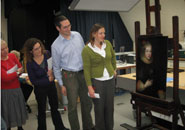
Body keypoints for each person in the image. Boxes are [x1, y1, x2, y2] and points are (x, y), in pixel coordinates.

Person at [51, 15, 94, 130]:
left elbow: (84, 53)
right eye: (65, 27)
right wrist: (61, 84)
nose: (68, 28)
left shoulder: (77, 35)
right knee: (73, 107)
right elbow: (55, 67)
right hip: (69, 76)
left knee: (87, 102)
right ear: (58, 28)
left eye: (69, 25)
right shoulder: (55, 46)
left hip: (83, 72)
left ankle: (88, 127)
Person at [23, 38, 69, 130]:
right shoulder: (30, 63)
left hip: (51, 86)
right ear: (31, 51)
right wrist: (48, 79)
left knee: (55, 108)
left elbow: (54, 67)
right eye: (36, 49)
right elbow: (33, 81)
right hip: (40, 89)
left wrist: (53, 75)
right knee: (41, 111)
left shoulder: (47, 54)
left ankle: (60, 127)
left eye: (39, 47)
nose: (39, 50)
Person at [81, 23, 117, 130]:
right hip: (97, 82)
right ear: (94, 34)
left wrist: (114, 69)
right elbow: (86, 70)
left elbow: (113, 58)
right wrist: (89, 87)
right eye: (100, 33)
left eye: (104, 33)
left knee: (110, 108)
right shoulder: (87, 50)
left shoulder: (108, 44)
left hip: (110, 80)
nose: (103, 35)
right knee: (99, 109)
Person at [1, 40, 28, 130]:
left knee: (18, 110)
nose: (5, 50)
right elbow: (5, 78)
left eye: (6, 47)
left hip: (16, 88)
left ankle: (20, 127)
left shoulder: (12, 56)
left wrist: (16, 73)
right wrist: (16, 73)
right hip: (5, 91)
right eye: (2, 49)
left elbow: (20, 68)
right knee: (8, 112)